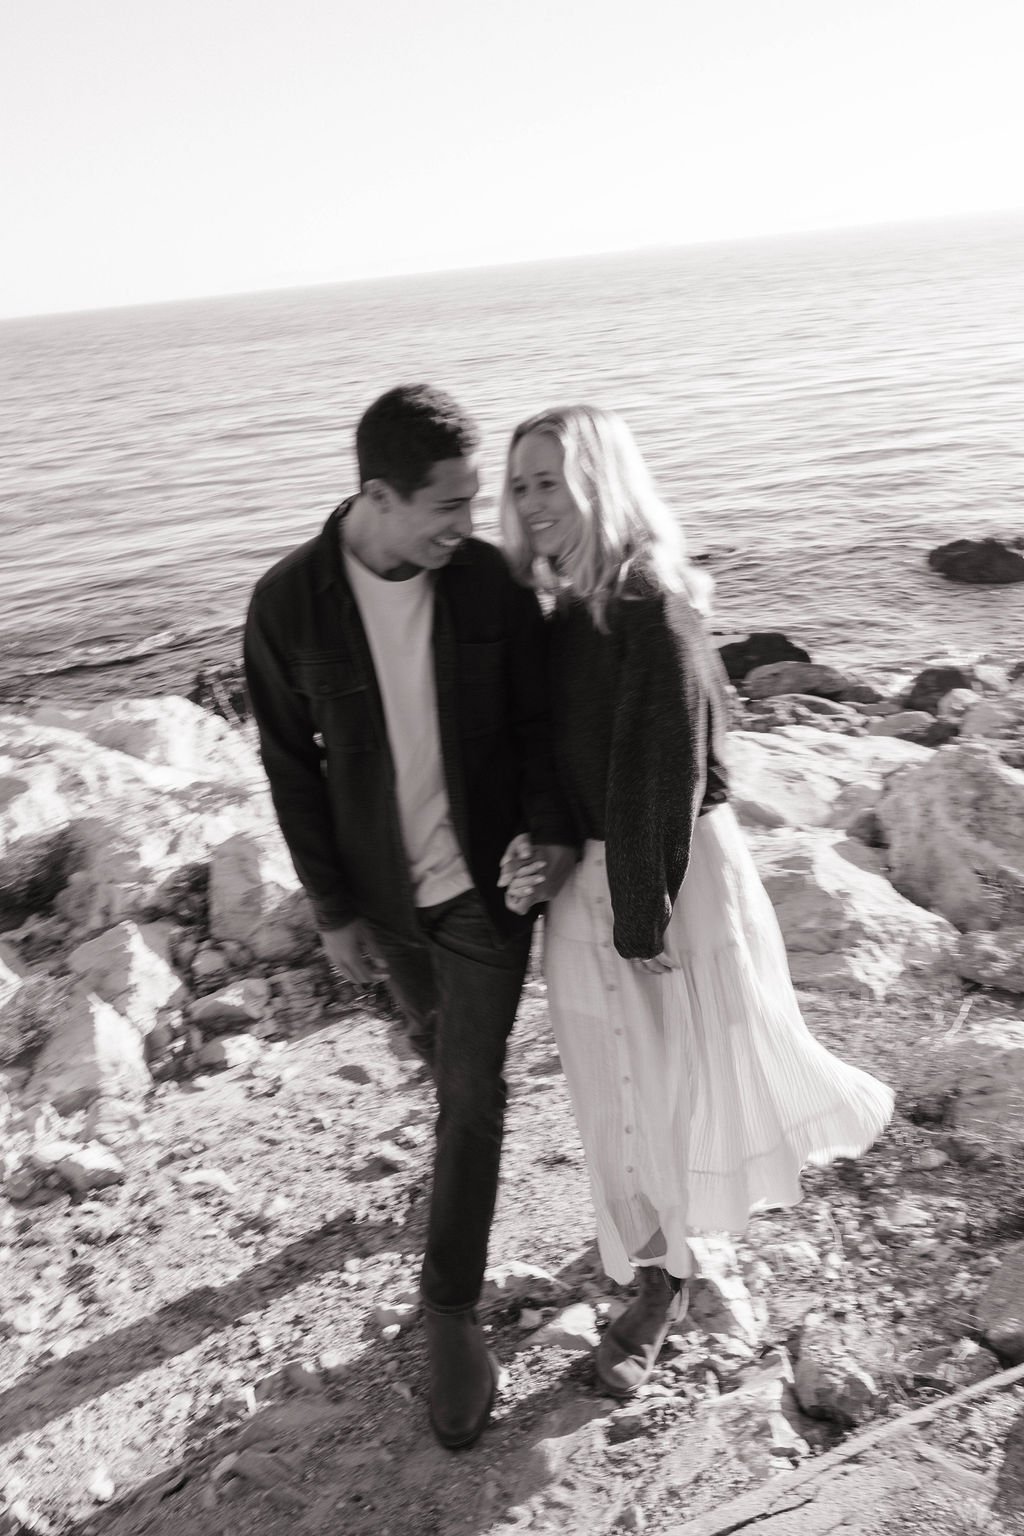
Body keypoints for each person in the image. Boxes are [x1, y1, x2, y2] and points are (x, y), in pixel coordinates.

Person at [498, 404, 894, 1398]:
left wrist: (636, 914)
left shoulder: (651, 604)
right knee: (606, 1077)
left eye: (550, 480)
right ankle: (645, 1250)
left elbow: (660, 774)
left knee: (662, 1080)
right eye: (521, 485)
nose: (533, 503)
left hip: (665, 875)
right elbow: (545, 751)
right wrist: (547, 853)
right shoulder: (560, 613)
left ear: (597, 482)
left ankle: (665, 1283)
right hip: (592, 873)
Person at [243, 385, 575, 1449]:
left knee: (473, 1092)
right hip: (386, 906)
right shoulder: (287, 604)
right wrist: (333, 909)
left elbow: (532, 723)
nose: (471, 526)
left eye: (478, 503)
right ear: (376, 496)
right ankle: (445, 1165)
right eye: (450, 506)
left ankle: (447, 1306)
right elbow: (290, 765)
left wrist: (545, 830)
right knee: (438, 1052)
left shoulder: (482, 583)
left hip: (484, 889)